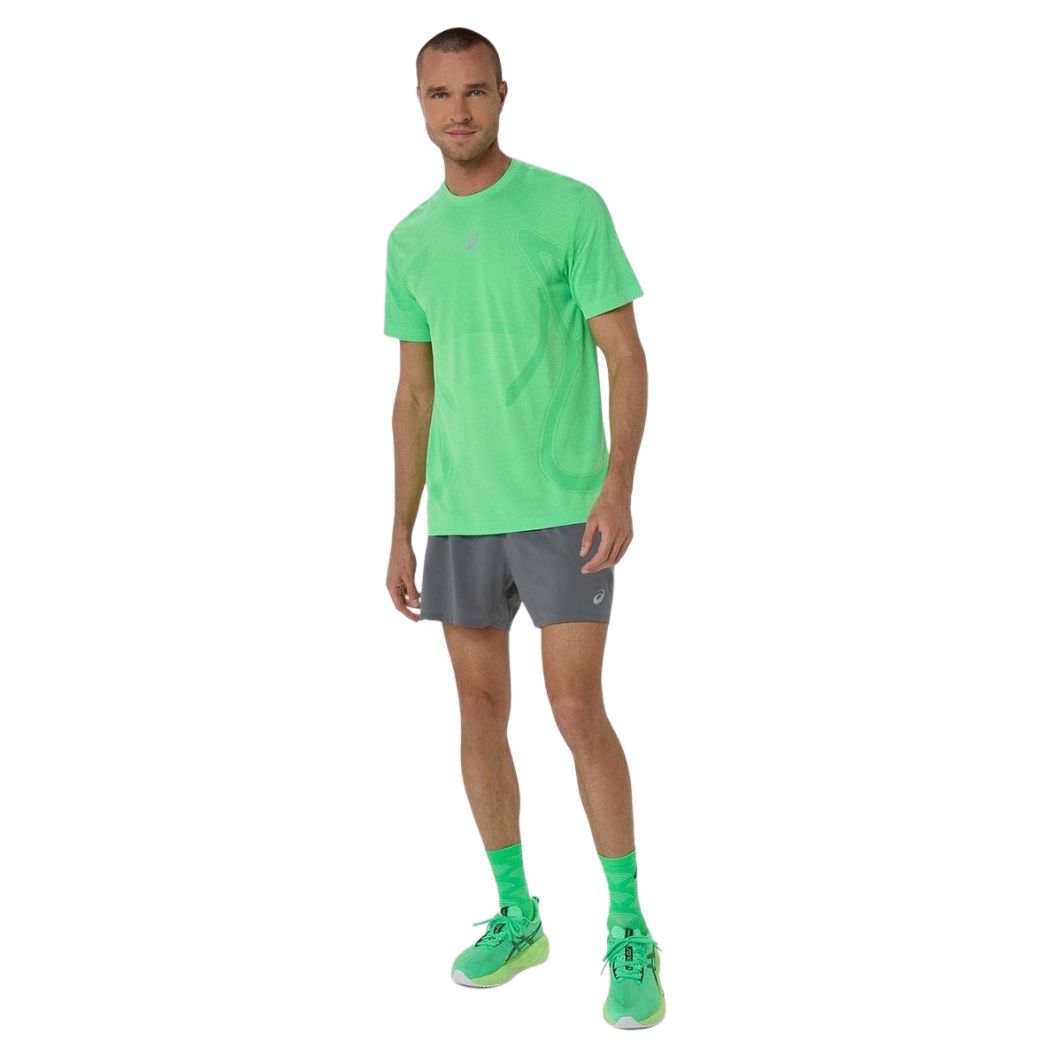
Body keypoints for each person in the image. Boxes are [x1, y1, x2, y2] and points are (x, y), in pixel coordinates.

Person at [383, 26, 664, 1030]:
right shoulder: (410, 241)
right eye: (438, 94)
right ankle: (518, 916)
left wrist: (618, 483)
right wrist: (400, 526)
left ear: (503, 94)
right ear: (418, 104)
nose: (457, 111)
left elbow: (625, 356)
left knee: (578, 711)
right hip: (463, 518)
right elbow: (414, 395)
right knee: (477, 714)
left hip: (561, 507)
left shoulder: (568, 208)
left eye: (474, 91)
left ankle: (628, 928)